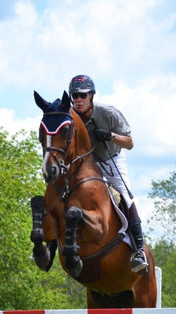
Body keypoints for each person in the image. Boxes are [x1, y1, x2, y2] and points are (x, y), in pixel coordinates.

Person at [68, 74, 148, 273]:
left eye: (82, 96)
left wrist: (111, 135)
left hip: (112, 159)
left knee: (126, 196)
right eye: (75, 96)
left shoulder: (108, 113)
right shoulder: (71, 117)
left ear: (91, 96)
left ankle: (139, 251)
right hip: (88, 164)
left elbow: (130, 143)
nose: (78, 100)